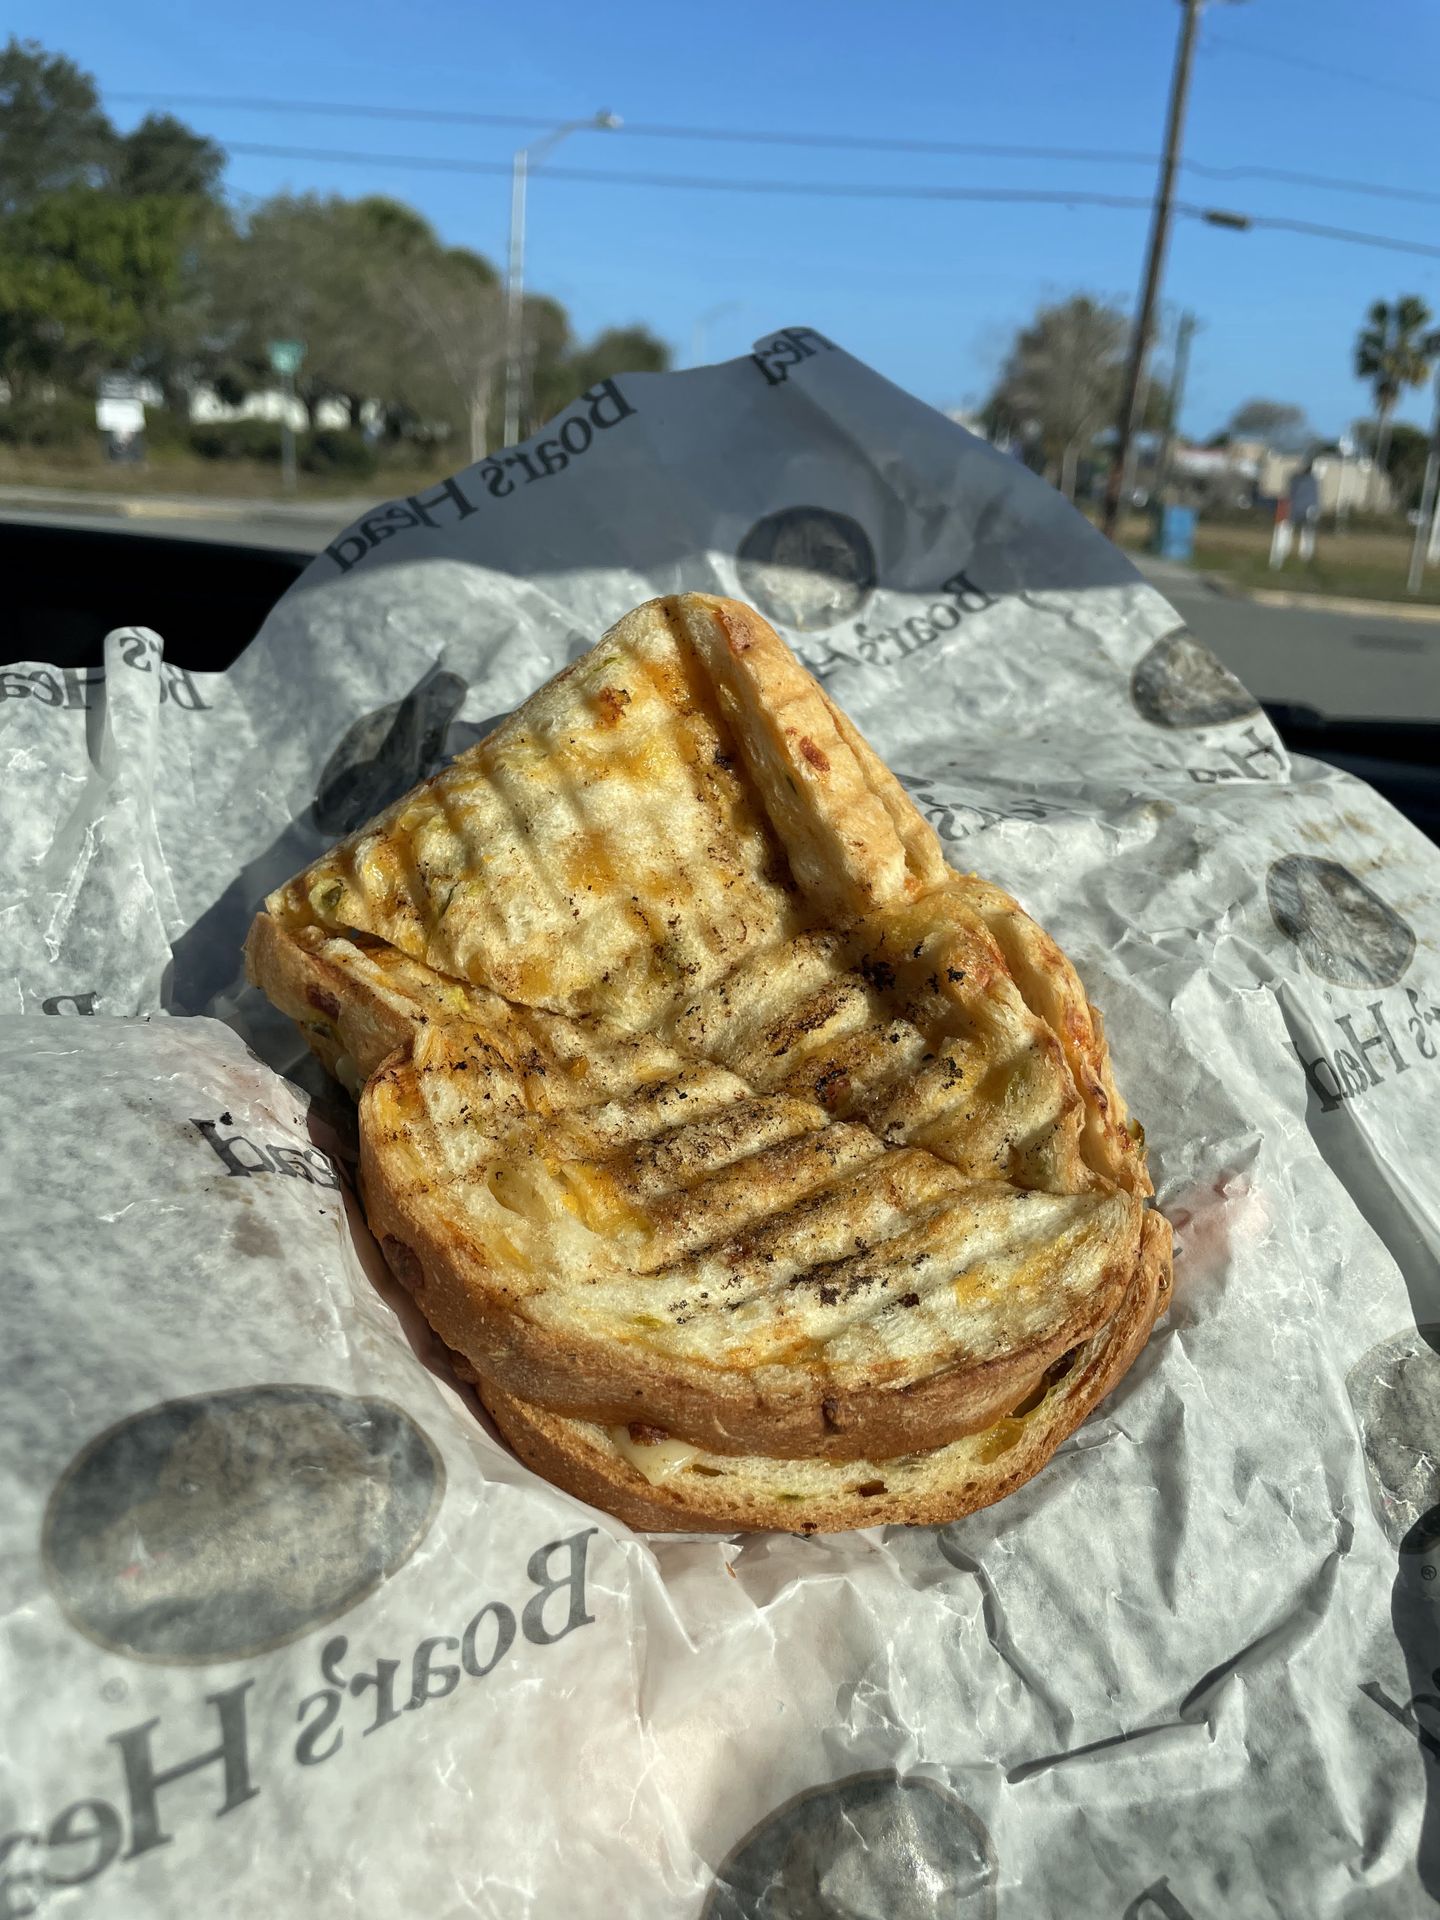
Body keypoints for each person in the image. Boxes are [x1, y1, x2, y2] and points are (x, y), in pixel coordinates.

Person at [1289, 459, 1321, 561]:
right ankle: (1305, 554)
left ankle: (1303, 553)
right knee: (1307, 532)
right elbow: (1315, 497)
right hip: (1308, 508)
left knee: (1302, 531)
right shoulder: (1313, 481)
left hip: (1299, 507)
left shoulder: (1297, 479)